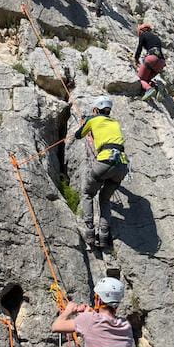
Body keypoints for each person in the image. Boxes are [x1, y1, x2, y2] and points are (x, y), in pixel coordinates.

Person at [75, 96, 128, 247]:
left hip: (104, 161)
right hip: (121, 165)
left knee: (88, 193)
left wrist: (86, 122)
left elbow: (79, 135)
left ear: (96, 109)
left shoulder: (93, 120)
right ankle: (104, 235)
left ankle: (90, 232)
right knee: (104, 199)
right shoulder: (115, 123)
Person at [135, 23, 166, 101]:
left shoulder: (143, 35)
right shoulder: (156, 37)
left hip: (151, 59)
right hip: (161, 62)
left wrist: (136, 58)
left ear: (142, 30)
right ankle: (157, 88)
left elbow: (139, 47)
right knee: (147, 80)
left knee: (140, 79)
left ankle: (149, 89)